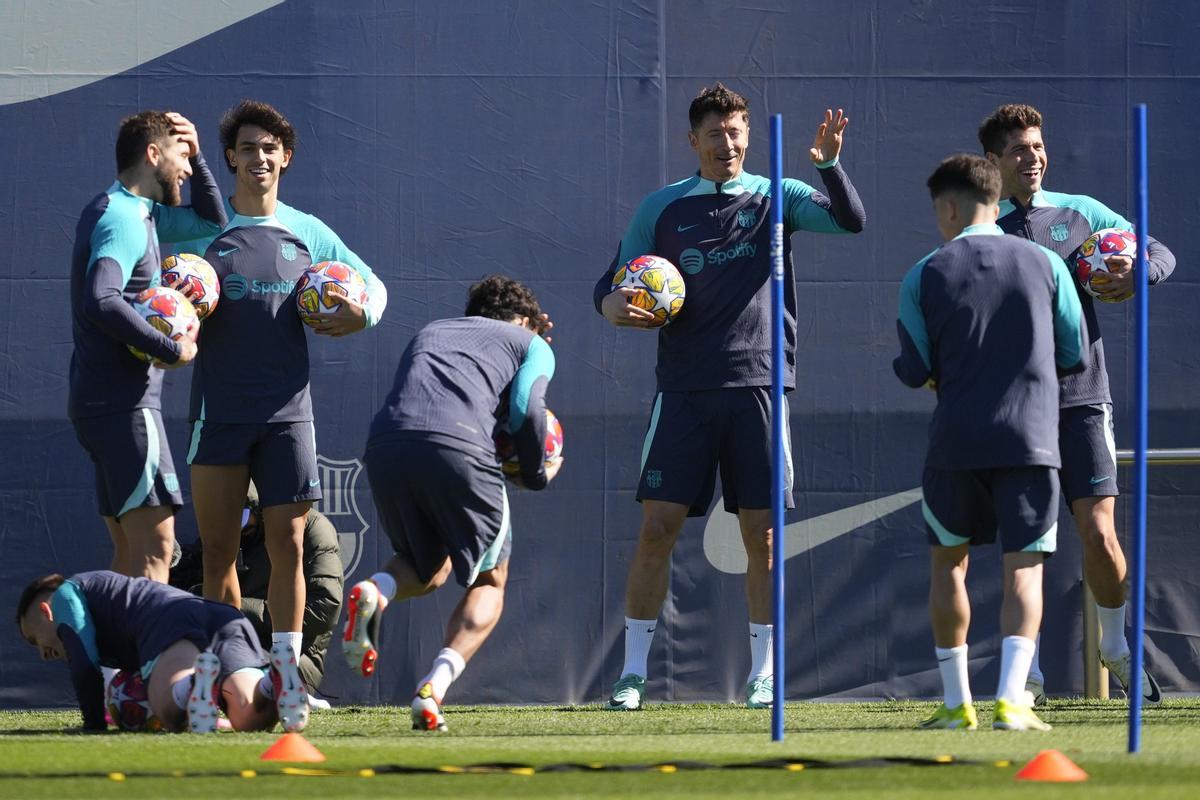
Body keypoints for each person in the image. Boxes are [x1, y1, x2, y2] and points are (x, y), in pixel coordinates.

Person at [592, 83, 866, 710]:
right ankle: (632, 673)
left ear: (749, 135)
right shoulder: (661, 209)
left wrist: (826, 163)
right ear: (693, 142)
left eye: (737, 130)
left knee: (762, 537)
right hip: (685, 390)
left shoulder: (778, 196)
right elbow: (610, 287)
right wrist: (617, 308)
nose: (728, 143)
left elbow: (852, 220)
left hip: (760, 388)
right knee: (657, 529)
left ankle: (763, 673)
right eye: (714, 133)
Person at [186, 100, 387, 733]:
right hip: (217, 413)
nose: (261, 158)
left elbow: (373, 290)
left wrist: (358, 315)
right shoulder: (202, 231)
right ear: (231, 160)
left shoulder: (309, 231)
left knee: (289, 546)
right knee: (217, 552)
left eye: (271, 148)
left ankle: (288, 684)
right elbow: (159, 295)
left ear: (286, 158)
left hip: (287, 417)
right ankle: (222, 680)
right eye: (249, 149)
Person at [979, 104, 1176, 705]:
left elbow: (1158, 253)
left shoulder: (1080, 213)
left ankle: (1115, 648)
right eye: (1018, 149)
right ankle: (1027, 677)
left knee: (1100, 534)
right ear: (994, 162)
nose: (1032, 157)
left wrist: (1134, 273)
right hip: (1015, 407)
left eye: (1038, 146)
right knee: (1026, 541)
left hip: (1083, 399)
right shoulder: (980, 230)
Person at [894, 154, 1088, 731]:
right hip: (1031, 441)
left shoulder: (923, 272)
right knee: (1023, 572)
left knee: (947, 567)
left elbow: (913, 367)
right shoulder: (1048, 262)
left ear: (949, 207)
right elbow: (1074, 353)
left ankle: (958, 705)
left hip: (956, 441)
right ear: (996, 201)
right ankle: (1011, 699)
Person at [342, 274, 559, 732]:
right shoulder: (529, 340)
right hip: (460, 446)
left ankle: (375, 590)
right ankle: (433, 688)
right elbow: (526, 410)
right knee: (490, 580)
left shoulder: (433, 330)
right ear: (525, 320)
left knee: (426, 567)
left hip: (386, 445)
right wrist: (536, 473)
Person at [69, 111, 226, 584]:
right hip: (126, 406)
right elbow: (101, 298)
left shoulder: (140, 212)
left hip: (100, 403)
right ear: (153, 154)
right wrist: (170, 348)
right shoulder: (123, 218)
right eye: (181, 157)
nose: (185, 168)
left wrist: (199, 160)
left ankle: (112, 661)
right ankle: (148, 659)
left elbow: (211, 219)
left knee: (128, 556)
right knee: (158, 549)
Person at [16, 571, 279, 733]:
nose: (43, 655)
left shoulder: (65, 594)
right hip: (220, 616)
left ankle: (193, 684)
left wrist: (93, 724)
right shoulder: (104, 606)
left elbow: (84, 665)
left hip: (168, 620)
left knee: (171, 713)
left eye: (33, 639)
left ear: (45, 611)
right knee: (250, 717)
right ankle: (272, 683)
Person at [170, 481, 344, 697]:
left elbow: (323, 609)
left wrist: (233, 608)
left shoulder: (310, 528)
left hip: (296, 657)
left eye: (246, 526)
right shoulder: (225, 534)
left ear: (260, 510)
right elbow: (185, 580)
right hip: (236, 647)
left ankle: (283, 691)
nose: (240, 533)